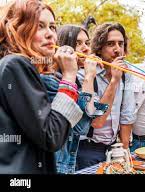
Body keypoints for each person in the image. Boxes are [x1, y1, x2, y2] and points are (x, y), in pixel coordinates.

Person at [0, 0, 83, 174]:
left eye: (52, 27)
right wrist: (68, 78)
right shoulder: (15, 64)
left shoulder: (18, 66)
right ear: (17, 29)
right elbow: (52, 135)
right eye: (40, 26)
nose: (50, 35)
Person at [40, 24, 108, 174]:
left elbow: (82, 128)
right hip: (54, 165)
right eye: (78, 43)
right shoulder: (51, 80)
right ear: (64, 47)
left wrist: (90, 77)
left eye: (87, 43)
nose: (85, 48)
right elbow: (78, 127)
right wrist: (89, 77)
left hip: (67, 163)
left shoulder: (75, 79)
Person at [76, 23, 136, 169]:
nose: (117, 49)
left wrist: (125, 151)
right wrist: (114, 81)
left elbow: (126, 116)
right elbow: (97, 121)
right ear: (99, 48)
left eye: (121, 44)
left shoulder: (126, 75)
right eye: (110, 44)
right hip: (86, 150)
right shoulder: (85, 75)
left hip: (113, 149)